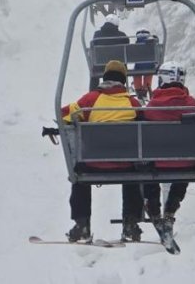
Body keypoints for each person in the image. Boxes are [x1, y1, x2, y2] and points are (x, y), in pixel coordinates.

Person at [62, 60, 144, 243]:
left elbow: (64, 113)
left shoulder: (90, 100)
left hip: (93, 164)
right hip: (125, 165)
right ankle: (130, 223)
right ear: (124, 80)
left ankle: (82, 224)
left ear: (104, 78)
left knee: (79, 176)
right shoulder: (132, 102)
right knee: (136, 174)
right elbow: (145, 122)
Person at [142, 62, 195, 238]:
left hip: (157, 163)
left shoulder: (152, 107)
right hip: (187, 162)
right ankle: (170, 212)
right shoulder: (192, 104)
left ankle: (154, 211)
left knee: (146, 172)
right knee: (183, 167)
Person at [131, 29, 159, 102]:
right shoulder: (153, 43)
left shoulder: (136, 45)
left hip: (138, 67)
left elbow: (132, 57)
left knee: (136, 71)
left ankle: (139, 90)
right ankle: (146, 88)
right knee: (149, 72)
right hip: (150, 66)